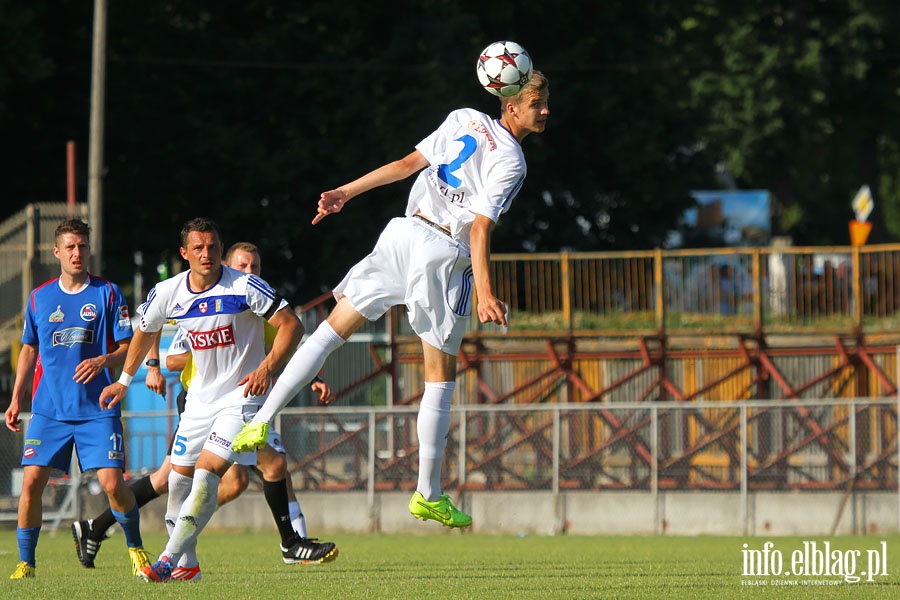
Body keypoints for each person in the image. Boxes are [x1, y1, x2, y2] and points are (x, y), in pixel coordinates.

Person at [233, 71, 551, 529]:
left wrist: (346, 191)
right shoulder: (513, 160)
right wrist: (485, 291)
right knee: (440, 375)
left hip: (401, 232)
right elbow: (480, 227)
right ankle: (428, 492)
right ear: (511, 104)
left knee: (330, 330)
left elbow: (405, 166)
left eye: (544, 102)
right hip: (442, 252)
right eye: (537, 102)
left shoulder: (463, 118)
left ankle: (259, 420)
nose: (544, 111)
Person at [98, 218, 338, 584]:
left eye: (212, 247)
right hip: (197, 402)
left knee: (208, 473)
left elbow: (292, 325)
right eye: (198, 248)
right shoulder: (167, 292)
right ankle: (188, 564)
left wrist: (266, 368)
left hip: (241, 399)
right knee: (177, 481)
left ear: (219, 248)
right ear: (185, 253)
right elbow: (145, 332)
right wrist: (124, 381)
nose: (206, 254)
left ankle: (166, 560)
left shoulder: (244, 285)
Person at [4, 219, 151, 579]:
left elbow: (127, 347)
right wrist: (15, 397)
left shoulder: (108, 293)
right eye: (69, 247)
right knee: (32, 482)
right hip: (48, 410)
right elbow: (28, 349)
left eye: (82, 246)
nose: (76, 253)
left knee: (114, 485)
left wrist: (103, 359)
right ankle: (27, 563)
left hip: (97, 409)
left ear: (89, 250)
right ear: (57, 252)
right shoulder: (40, 297)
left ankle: (136, 549)